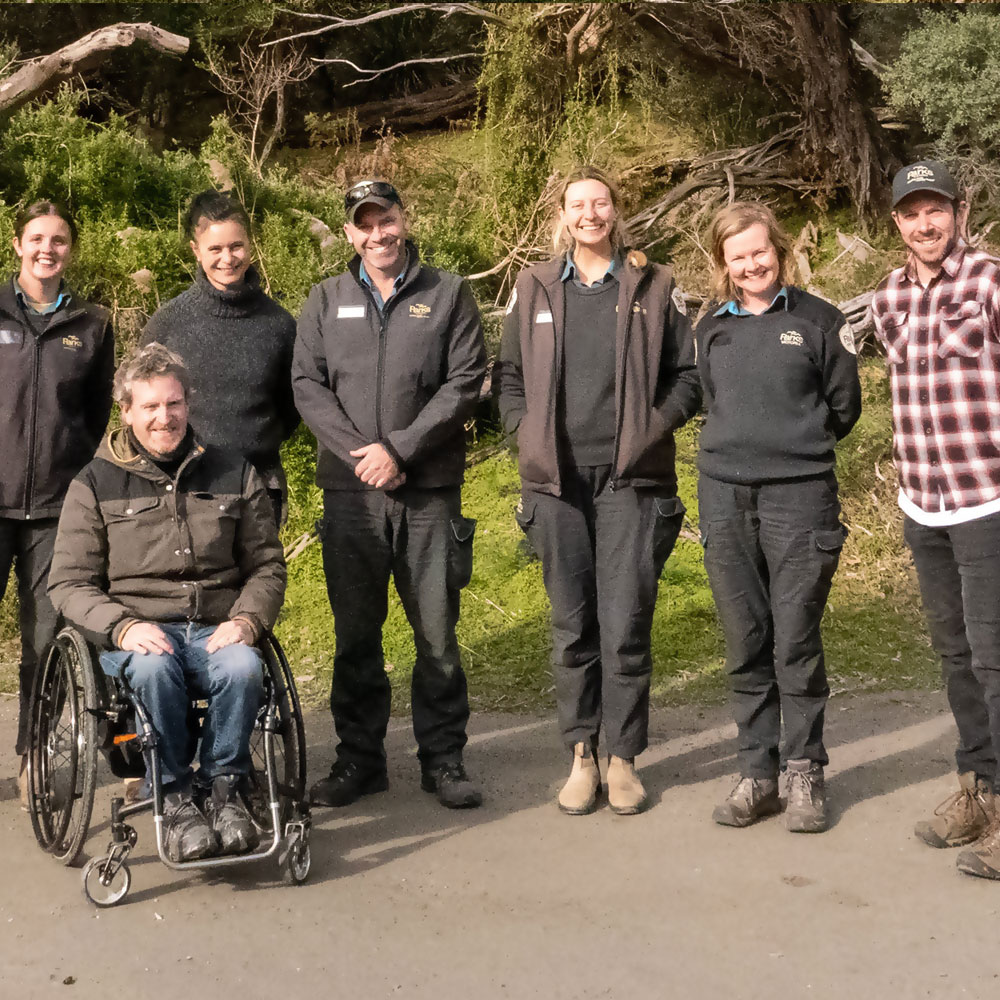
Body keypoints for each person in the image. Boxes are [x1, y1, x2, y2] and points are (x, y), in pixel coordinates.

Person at [497, 166, 700, 816]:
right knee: (573, 626)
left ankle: (623, 760)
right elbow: (507, 375)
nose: (590, 213)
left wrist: (651, 427)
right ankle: (581, 754)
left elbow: (688, 376)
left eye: (600, 202)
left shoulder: (653, 284)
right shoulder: (533, 286)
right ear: (563, 214)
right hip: (556, 482)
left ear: (616, 209)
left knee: (626, 625)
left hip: (631, 482)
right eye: (578, 204)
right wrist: (523, 433)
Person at [47, 343, 286, 862]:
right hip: (140, 631)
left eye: (173, 404)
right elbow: (68, 583)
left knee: (244, 666)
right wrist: (122, 626)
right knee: (155, 671)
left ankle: (225, 789)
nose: (164, 418)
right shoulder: (93, 483)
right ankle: (174, 796)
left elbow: (267, 566)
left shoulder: (234, 472)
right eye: (150, 407)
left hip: (217, 626)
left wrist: (247, 619)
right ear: (127, 411)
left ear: (188, 404)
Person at [293, 179, 486, 810]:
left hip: (427, 492)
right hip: (350, 497)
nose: (378, 233)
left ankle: (444, 760)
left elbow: (463, 383)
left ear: (405, 220)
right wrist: (365, 458)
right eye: (365, 223)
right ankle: (359, 761)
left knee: (436, 634)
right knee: (356, 637)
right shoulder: (324, 300)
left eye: (387, 220)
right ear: (349, 233)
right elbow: (308, 388)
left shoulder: (449, 293)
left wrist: (400, 450)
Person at [695, 202, 861, 833]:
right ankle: (756, 773)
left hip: (801, 498)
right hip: (726, 498)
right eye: (737, 257)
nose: (751, 265)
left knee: (795, 638)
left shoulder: (820, 319)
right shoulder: (711, 328)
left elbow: (844, 406)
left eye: (760, 252)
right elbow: (715, 400)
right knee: (746, 639)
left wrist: (795, 446)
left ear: (779, 251)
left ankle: (804, 771)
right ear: (723, 265)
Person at [872, 160, 1000, 878]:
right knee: (956, 659)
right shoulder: (889, 296)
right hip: (924, 502)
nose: (925, 225)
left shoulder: (989, 279)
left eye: (937, 211)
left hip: (988, 500)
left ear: (957, 211)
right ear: (897, 223)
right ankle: (978, 789)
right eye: (912, 213)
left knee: (995, 658)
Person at [0, 200, 114, 806]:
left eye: (60, 239)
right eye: (38, 238)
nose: (49, 249)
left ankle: (33, 757)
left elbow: (97, 416)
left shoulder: (91, 324)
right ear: (18, 244)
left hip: (55, 509)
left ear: (71, 248)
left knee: (45, 641)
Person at [140, 190, 298, 525]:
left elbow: (292, 406)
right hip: (185, 487)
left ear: (250, 246)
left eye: (236, 246)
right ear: (196, 251)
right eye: (215, 249)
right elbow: (143, 404)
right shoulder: (168, 323)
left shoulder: (280, 325)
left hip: (259, 488)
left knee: (261, 578)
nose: (227, 258)